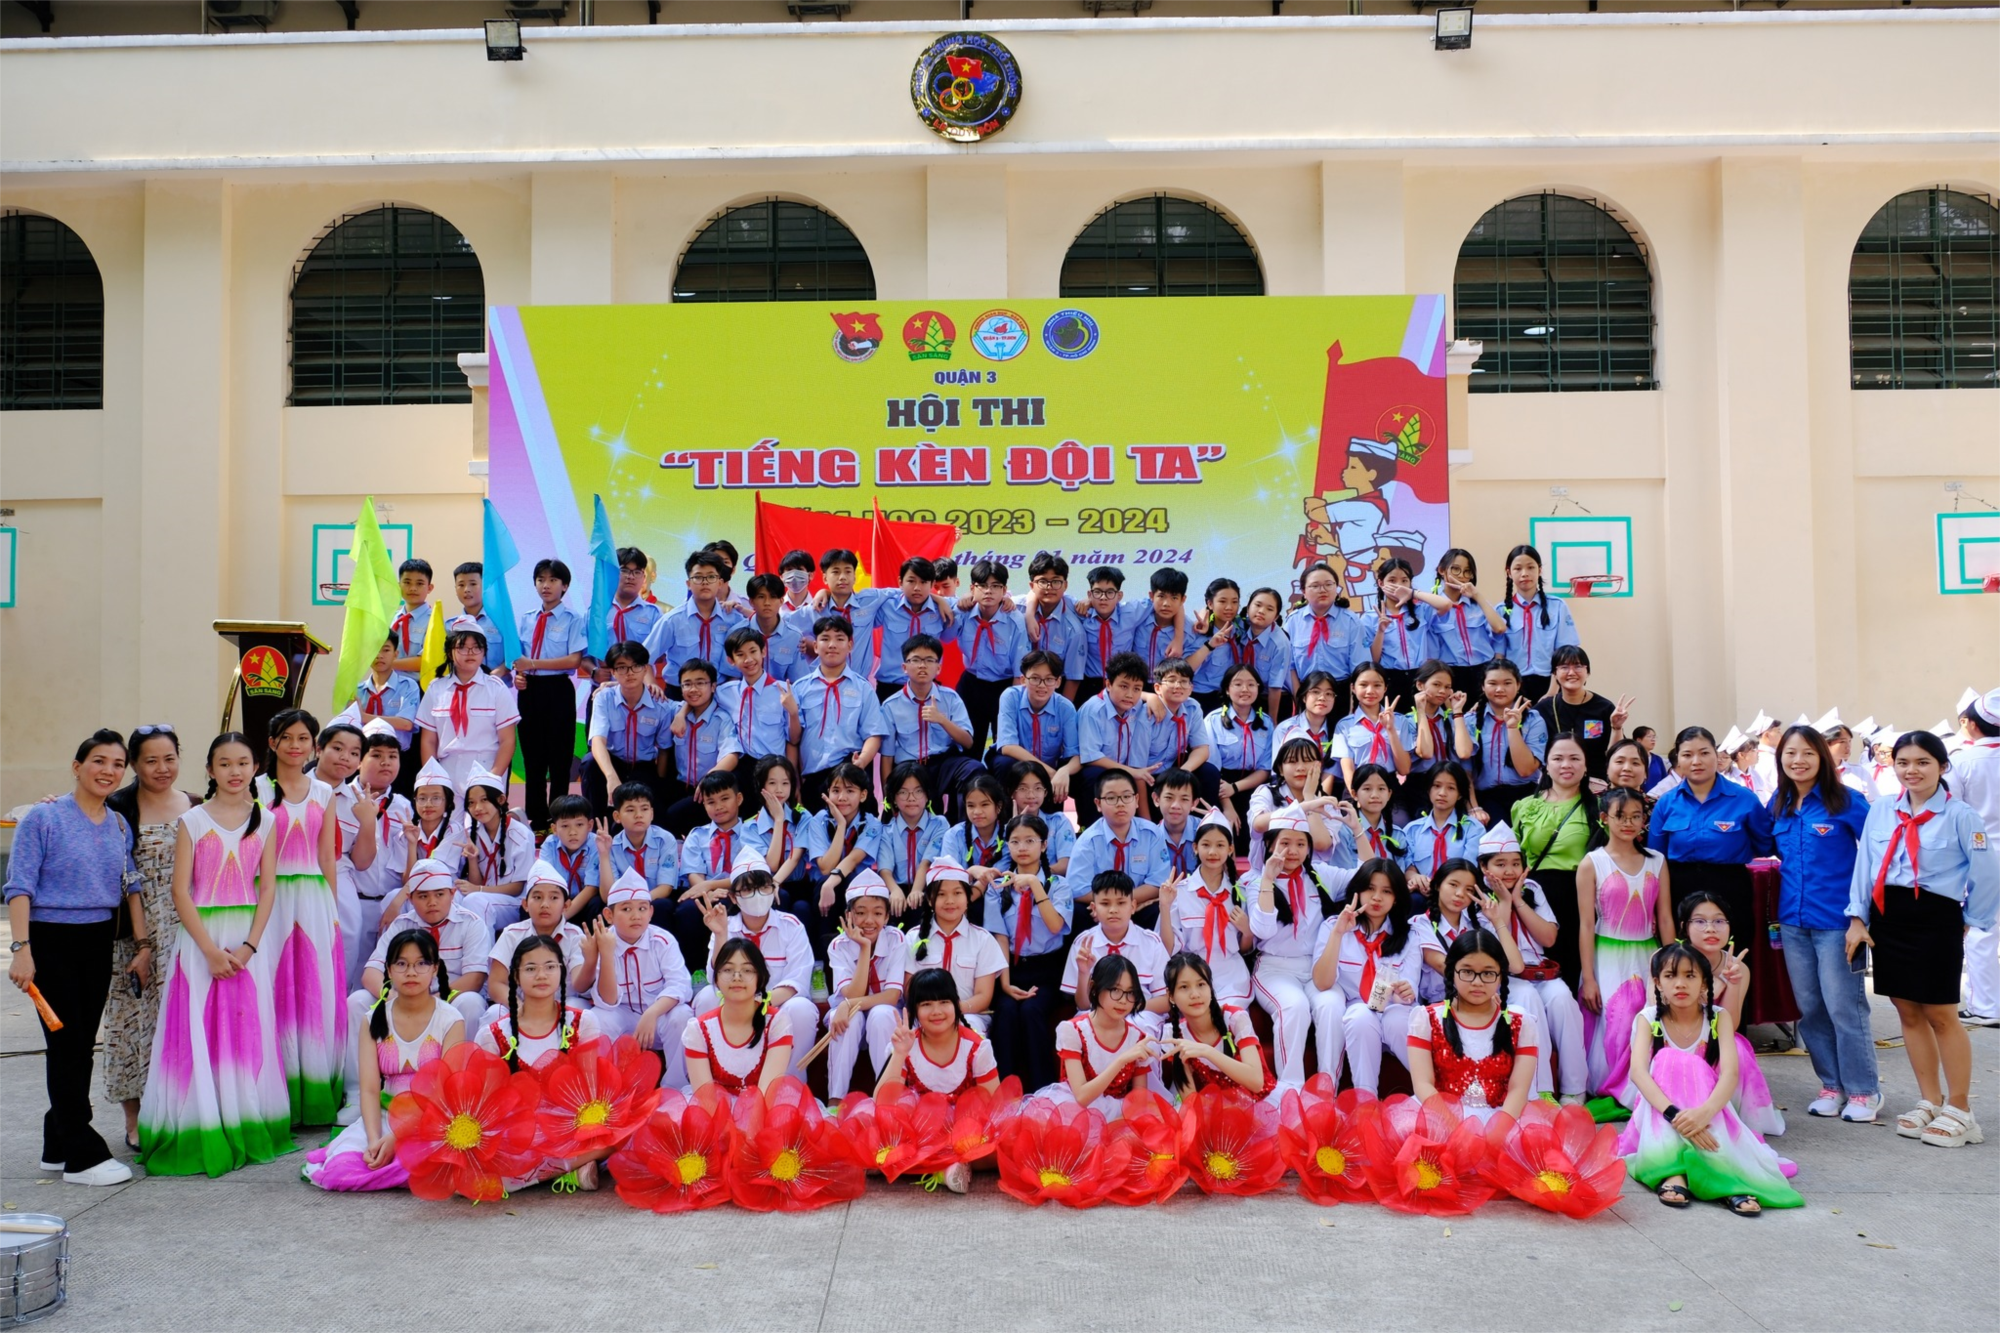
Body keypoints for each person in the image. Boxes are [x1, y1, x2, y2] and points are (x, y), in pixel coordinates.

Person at [1846, 730, 2000, 1148]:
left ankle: (1961, 1109)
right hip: (1889, 917)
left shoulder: (1961, 815)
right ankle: (1930, 1100)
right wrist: (1857, 917)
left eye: (1922, 762)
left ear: (1942, 766)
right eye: (1903, 762)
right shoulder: (1882, 809)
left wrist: (1970, 919)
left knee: (1941, 1014)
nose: (1911, 770)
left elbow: (1987, 873)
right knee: (1907, 1012)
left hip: (1936, 918)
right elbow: (1865, 864)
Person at [5, 730, 141, 1185]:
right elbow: (19, 887)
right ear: (77, 766)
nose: (108, 770)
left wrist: (142, 944)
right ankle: (82, 1155)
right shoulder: (43, 818)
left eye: (118, 764)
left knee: (80, 1045)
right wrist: (21, 950)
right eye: (99, 760)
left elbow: (129, 882)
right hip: (51, 940)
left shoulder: (118, 824)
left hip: (97, 940)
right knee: (66, 1044)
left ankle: (57, 1143)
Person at [1624, 944, 1803, 1214]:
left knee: (1697, 1069)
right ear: (1658, 983)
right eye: (1670, 976)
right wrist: (1676, 1115)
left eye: (1690, 976)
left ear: (1705, 984)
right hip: (1661, 1110)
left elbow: (1730, 1074)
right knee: (1666, 1059)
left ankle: (1726, 1177)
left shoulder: (1719, 1017)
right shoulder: (1648, 1019)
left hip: (1707, 1107)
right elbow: (1638, 1072)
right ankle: (1673, 1172)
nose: (1680, 984)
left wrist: (1703, 1114)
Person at [1767, 723, 1879, 1123]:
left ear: (1822, 757)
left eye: (1807, 753)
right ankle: (1831, 1085)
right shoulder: (1778, 802)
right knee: (1810, 1008)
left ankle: (1864, 1090)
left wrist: (1861, 917)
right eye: (1790, 753)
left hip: (1838, 923)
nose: (1798, 761)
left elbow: (1876, 855)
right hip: (1793, 923)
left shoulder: (1846, 801)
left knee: (1844, 1007)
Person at [303, 928, 465, 1192]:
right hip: (384, 1115)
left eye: (421, 963)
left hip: (432, 1118)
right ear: (389, 970)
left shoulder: (451, 1020)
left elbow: (444, 1092)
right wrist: (374, 1139)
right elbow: (369, 1090)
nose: (411, 972)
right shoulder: (373, 1019)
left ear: (435, 968)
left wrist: (397, 1138)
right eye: (401, 964)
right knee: (341, 1172)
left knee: (432, 1167)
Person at [101, 723, 195, 1152]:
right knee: (133, 1022)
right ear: (135, 765)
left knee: (181, 1020)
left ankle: (181, 1110)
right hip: (136, 934)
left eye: (169, 758)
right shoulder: (117, 809)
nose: (162, 768)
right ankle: (135, 1118)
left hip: (187, 929)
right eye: (151, 760)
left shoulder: (196, 805)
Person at [341, 857, 492, 1119]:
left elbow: (475, 978)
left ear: (452, 894)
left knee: (471, 1003)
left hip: (447, 999)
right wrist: (396, 998)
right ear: (410, 898)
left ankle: (460, 1095)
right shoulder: (401, 925)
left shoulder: (471, 923)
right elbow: (371, 973)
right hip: (403, 998)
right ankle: (357, 1095)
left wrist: (429, 1000)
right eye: (423, 896)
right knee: (357, 1002)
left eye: (439, 894)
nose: (432, 902)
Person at [255, 708, 345, 1127]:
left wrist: (332, 910)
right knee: (273, 987)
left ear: (314, 745)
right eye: (287, 737)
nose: (295, 745)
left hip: (313, 898)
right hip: (268, 899)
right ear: (272, 743)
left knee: (314, 989)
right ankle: (275, 1098)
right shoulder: (255, 788)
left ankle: (315, 1095)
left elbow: (326, 855)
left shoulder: (324, 793)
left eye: (303, 738)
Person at [1252, 805, 1360, 1092]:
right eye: (1285, 843)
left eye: (1301, 844)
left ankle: (1327, 1090)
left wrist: (1358, 830)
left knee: (1332, 1006)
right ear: (1270, 845)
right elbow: (1262, 930)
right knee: (1295, 1006)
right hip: (1275, 968)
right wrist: (1268, 880)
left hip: (1316, 966)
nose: (1293, 851)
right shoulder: (1254, 881)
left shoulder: (1320, 874)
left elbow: (1367, 875)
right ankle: (1290, 1090)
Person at [1313, 858, 1442, 1096]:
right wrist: (1338, 934)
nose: (1376, 898)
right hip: (1356, 1018)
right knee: (1360, 1015)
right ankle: (1366, 1099)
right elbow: (1322, 982)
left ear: (1396, 898)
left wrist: (1405, 992)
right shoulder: (1333, 926)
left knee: (1396, 1018)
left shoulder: (1410, 935)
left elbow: (1409, 992)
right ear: (1357, 891)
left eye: (1386, 891)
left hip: (1394, 1010)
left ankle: (1437, 1090)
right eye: (1370, 889)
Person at [1576, 790, 1674, 1102]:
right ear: (1604, 819)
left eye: (1636, 816)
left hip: (1648, 954)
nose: (1628, 823)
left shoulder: (1657, 861)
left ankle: (1644, 1086)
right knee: (1615, 1020)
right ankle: (1615, 1088)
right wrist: (1589, 978)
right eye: (1620, 816)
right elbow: (1586, 924)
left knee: (1647, 1015)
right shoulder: (1592, 863)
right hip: (1606, 955)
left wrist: (1673, 965)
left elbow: (1665, 918)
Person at [695, 851, 819, 1081]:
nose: (757, 895)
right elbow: (717, 979)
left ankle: (789, 1084)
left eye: (763, 887)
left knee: (802, 1009)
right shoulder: (725, 925)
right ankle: (716, 1079)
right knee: (705, 998)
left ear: (773, 889)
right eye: (748, 889)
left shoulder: (791, 926)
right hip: (734, 1005)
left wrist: (761, 1002)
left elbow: (798, 979)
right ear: (733, 898)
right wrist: (720, 934)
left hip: (776, 1005)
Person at [1677, 891, 1785, 1137]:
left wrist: (1732, 983)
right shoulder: (1670, 960)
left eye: (1719, 921)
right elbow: (1664, 1015)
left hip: (1715, 1034)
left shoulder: (1738, 967)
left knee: (1735, 1047)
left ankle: (1723, 1114)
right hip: (1676, 1035)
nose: (1710, 929)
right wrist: (1716, 985)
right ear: (1684, 926)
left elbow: (1731, 1025)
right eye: (1700, 921)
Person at [1406, 929, 1539, 1123]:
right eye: (1467, 972)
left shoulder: (1521, 1023)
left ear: (1501, 975)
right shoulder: (1425, 1019)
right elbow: (1422, 1084)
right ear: (1452, 972)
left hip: (1504, 1120)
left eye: (1488, 973)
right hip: (1440, 1118)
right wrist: (1456, 1130)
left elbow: (1518, 1090)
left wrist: (1497, 1133)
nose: (1477, 982)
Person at [1648, 725, 1774, 927]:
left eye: (1704, 753)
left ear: (1716, 755)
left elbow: (1764, 845)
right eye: (1687, 755)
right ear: (1678, 759)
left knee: (1735, 943)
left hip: (1731, 888)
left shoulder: (1744, 799)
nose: (1696, 761)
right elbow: (1656, 856)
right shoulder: (1666, 803)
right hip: (1680, 889)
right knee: (1684, 945)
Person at [985, 813, 1071, 1091]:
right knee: (1006, 1011)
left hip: (1047, 970)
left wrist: (1035, 884)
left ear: (1044, 845)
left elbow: (1056, 925)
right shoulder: (998, 887)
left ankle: (1043, 1091)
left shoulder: (1058, 885)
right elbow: (1000, 937)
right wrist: (1005, 983)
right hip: (1010, 968)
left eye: (1030, 841)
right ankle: (1003, 1091)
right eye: (1015, 841)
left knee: (1033, 1011)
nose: (1022, 847)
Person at [1509, 733, 1599, 987]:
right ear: (1546, 764)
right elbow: (1514, 856)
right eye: (1558, 758)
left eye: (1574, 758)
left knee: (1570, 972)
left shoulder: (1598, 807)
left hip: (1577, 899)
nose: (1566, 765)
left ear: (1585, 764)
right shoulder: (1523, 806)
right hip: (1533, 898)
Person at [591, 870, 693, 1086]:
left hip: (657, 1018)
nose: (636, 916)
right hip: (623, 1019)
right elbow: (607, 1001)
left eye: (642, 908)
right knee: (596, 1018)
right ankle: (608, 1086)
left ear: (651, 912)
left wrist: (652, 1013)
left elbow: (680, 985)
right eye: (626, 909)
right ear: (609, 915)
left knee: (682, 1015)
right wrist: (606, 954)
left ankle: (676, 1087)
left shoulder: (663, 941)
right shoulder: (603, 941)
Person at [511, 559, 588, 829]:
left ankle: (559, 817)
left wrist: (532, 664)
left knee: (560, 759)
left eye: (553, 580)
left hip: (558, 691)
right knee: (533, 758)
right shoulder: (527, 618)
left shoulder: (573, 619)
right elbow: (518, 659)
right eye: (541, 579)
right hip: (529, 692)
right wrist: (519, 675)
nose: (546, 585)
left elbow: (574, 660)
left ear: (564, 586)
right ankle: (537, 818)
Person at [1037, 954, 1162, 1119]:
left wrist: (1117, 1128)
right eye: (1115, 990)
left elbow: (1139, 1102)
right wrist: (1121, 1060)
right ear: (1094, 987)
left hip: (1121, 1116)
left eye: (1130, 992)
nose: (1123, 1000)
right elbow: (1082, 1097)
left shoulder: (1137, 1037)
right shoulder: (1073, 1030)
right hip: (1077, 1116)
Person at [1156, 810, 1254, 1008]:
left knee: (1229, 1014)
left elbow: (1245, 949)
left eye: (1220, 845)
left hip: (1231, 976)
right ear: (1195, 848)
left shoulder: (1241, 892)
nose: (1212, 852)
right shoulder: (1180, 892)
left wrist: (1247, 930)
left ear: (1230, 849)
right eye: (1206, 845)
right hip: (1191, 974)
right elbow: (1168, 948)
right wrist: (1164, 907)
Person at [823, 870, 907, 1100]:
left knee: (881, 1014)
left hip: (883, 1013)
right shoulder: (838, 945)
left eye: (878, 913)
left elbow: (891, 996)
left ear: (887, 917)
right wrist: (864, 947)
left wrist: (848, 1004)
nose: (869, 920)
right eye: (860, 913)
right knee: (848, 1019)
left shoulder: (896, 939)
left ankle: (888, 1099)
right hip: (848, 1012)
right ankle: (835, 1100)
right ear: (848, 915)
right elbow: (852, 993)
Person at [792, 614, 887, 812]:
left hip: (852, 774)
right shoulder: (800, 689)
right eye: (825, 639)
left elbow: (874, 734)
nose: (832, 645)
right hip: (814, 779)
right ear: (815, 646)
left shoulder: (863, 688)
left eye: (840, 639)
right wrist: (795, 782)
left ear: (850, 645)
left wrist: (861, 762)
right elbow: (792, 741)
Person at [880, 636, 985, 814]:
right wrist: (887, 796)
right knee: (926, 808)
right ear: (904, 667)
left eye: (929, 660)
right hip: (910, 766)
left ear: (938, 668)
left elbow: (968, 742)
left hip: (943, 763)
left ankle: (960, 823)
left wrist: (942, 720)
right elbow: (887, 756)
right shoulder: (891, 705)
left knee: (974, 769)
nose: (922, 665)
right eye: (916, 660)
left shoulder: (951, 698)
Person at [682, 938, 795, 1098]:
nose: (736, 977)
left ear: (760, 977)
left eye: (747, 970)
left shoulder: (776, 1022)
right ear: (716, 978)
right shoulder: (698, 1030)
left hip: (765, 1108)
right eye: (728, 970)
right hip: (714, 1111)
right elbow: (705, 1099)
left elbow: (767, 1094)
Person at [416, 627, 520, 795]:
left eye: (476, 647)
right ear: (450, 653)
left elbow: (507, 741)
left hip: (486, 767)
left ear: (484, 652)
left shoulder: (496, 688)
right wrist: (433, 777)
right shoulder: (436, 689)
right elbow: (428, 741)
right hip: (446, 769)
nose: (470, 653)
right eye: (462, 647)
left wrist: (491, 779)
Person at [906, 856, 1004, 1034]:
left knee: (968, 1029)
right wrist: (931, 1012)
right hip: (923, 1016)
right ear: (930, 900)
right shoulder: (912, 938)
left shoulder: (983, 939)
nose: (950, 900)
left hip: (968, 1014)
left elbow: (983, 996)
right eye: (941, 894)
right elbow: (908, 989)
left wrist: (952, 1011)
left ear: (968, 898)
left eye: (957, 893)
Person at [1156, 951, 1269, 1102]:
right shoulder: (1174, 1034)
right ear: (1170, 996)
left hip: (1255, 1102)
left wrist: (1206, 1051)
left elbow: (1256, 1082)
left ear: (1210, 987)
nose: (1195, 994)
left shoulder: (1235, 1019)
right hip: (1209, 1106)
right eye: (1184, 987)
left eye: (1201, 984)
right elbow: (1190, 1099)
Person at [1063, 870, 1171, 1028]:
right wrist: (1084, 973)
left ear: (1133, 906)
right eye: (1105, 904)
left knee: (1138, 1026)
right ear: (1094, 908)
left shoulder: (1152, 943)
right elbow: (1083, 1005)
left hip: (1141, 1013)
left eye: (1121, 903)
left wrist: (1126, 1008)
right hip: (1097, 1014)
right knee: (1076, 1028)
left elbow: (1166, 1000)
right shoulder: (1083, 944)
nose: (1113, 910)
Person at [1952, 689, 2000, 1028]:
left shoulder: (1963, 761)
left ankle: (1986, 1005)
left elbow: (1951, 813)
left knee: (1982, 930)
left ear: (1971, 724)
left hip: (1983, 855)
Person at [585, 641, 673, 819]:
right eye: (622, 667)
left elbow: (664, 750)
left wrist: (660, 785)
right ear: (613, 672)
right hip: (613, 763)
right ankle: (595, 823)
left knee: (657, 819)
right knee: (590, 763)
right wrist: (611, 776)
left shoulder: (661, 705)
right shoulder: (604, 698)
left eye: (636, 666)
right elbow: (597, 741)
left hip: (643, 767)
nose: (630, 673)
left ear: (646, 669)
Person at [485, 864, 593, 1005]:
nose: (545, 904)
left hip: (562, 1004)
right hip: (520, 1003)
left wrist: (591, 960)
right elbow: (496, 983)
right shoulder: (512, 934)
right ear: (525, 905)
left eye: (554, 898)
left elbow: (580, 986)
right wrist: (521, 1010)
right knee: (495, 1013)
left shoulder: (574, 936)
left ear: (566, 905)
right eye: (537, 897)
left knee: (576, 1008)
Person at [644, 548, 747, 690]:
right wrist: (651, 684)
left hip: (721, 692)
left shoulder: (734, 619)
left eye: (711, 577)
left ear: (719, 582)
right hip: (679, 692)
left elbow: (742, 660)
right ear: (688, 584)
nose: (705, 582)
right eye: (698, 577)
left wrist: (731, 692)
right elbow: (643, 658)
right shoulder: (672, 620)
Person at [1076, 652, 1160, 826]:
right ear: (1108, 684)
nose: (1130, 694)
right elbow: (1091, 757)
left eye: (1137, 689)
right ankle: (1088, 827)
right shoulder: (1093, 710)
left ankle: (1146, 827)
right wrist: (1131, 772)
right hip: (1090, 770)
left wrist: (1150, 696)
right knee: (1094, 775)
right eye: (1123, 686)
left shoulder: (1137, 706)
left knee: (1152, 777)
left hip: (1124, 768)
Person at [1411, 547, 1504, 701]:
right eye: (1455, 569)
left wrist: (1477, 595)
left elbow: (1499, 628)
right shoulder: (1430, 606)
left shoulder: (1478, 604)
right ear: (1442, 570)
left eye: (1467, 571)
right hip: (1451, 674)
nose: (1461, 575)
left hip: (1484, 670)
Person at [989, 650, 1081, 800]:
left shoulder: (1066, 707)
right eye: (1035, 678)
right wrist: (1048, 772)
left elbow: (1076, 754)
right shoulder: (1010, 696)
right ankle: (1005, 812)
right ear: (1023, 680)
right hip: (1021, 764)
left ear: (1058, 682)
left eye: (1049, 679)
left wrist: (1063, 772)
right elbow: (1008, 746)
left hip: (1051, 769)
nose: (1042, 685)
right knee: (1004, 763)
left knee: (1084, 776)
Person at [1496, 544, 1581, 703]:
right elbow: (1499, 657)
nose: (1524, 573)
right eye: (1518, 568)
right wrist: (1509, 692)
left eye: (1531, 567)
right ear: (1509, 572)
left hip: (1551, 683)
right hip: (1514, 686)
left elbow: (1565, 653)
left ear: (1539, 570)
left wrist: (1552, 692)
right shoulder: (1500, 611)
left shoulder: (1558, 606)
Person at [1530, 646, 1630, 781]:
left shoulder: (1604, 708)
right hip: (1555, 783)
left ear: (1587, 672)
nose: (1571, 672)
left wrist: (1616, 728)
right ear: (1555, 673)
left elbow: (1616, 754)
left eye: (1578, 666)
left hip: (1595, 782)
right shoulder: (1543, 709)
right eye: (1564, 667)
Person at [458, 768, 536, 934]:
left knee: (475, 901)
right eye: (471, 803)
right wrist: (472, 859)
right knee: (453, 896)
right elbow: (476, 884)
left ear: (501, 799)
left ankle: (483, 952)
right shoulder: (472, 833)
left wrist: (479, 890)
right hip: (484, 897)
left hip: (514, 903)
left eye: (484, 800)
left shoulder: (521, 835)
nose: (477, 808)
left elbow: (517, 888)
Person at [1468, 657, 1546, 821]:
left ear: (1518, 685)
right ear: (1483, 686)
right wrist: (1474, 807)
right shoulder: (1470, 721)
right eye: (1492, 683)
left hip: (1527, 796)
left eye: (1507, 683)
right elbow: (1464, 770)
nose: (1500, 689)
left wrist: (1512, 727)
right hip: (1484, 798)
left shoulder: (1534, 720)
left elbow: (1525, 770)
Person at [1206, 663, 1273, 847]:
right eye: (1238, 684)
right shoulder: (1213, 720)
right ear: (1227, 690)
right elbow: (1211, 770)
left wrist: (1235, 788)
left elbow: (1265, 769)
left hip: (1253, 787)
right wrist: (1227, 804)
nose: (1245, 689)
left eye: (1251, 684)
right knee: (1227, 833)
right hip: (1219, 787)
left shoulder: (1267, 723)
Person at [1285, 562, 1365, 717]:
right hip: (1306, 692)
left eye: (1328, 584)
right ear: (1304, 591)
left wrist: (1353, 703)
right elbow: (1289, 665)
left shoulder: (1351, 621)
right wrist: (1299, 696)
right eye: (1315, 586)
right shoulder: (1293, 621)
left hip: (1341, 693)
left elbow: (1359, 667)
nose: (1323, 590)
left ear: (1337, 588)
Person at [1401, 761, 1482, 896]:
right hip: (1422, 893)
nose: (1442, 793)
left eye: (1451, 788)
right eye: (1437, 786)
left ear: (1460, 794)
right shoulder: (1411, 830)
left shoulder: (1473, 829)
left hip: (1457, 894)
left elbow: (1468, 870)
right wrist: (1416, 878)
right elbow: (1409, 868)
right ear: (1428, 789)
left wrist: (1441, 888)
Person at [1018, 552, 1087, 703]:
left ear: (1065, 585)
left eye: (1056, 582)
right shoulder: (1016, 610)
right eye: (1043, 581)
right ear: (1032, 586)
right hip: (1018, 685)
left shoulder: (1074, 628)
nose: (1049, 588)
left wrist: (1061, 709)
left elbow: (1073, 677)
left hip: (1054, 690)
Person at [1334, 662, 1413, 791]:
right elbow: (1348, 770)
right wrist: (1357, 795)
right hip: (1357, 786)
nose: (1370, 691)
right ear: (1353, 688)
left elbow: (1404, 769)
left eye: (1377, 685)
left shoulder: (1400, 721)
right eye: (1363, 685)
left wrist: (1391, 730)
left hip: (1389, 787)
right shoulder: (1344, 725)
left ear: (1385, 688)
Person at [1365, 557, 1428, 707]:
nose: (1399, 586)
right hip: (1389, 678)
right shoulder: (1370, 617)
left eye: (1404, 581)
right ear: (1381, 583)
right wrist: (1381, 631)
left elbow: (1445, 605)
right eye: (1392, 580)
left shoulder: (1421, 610)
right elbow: (1373, 659)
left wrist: (1413, 594)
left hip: (1420, 677)